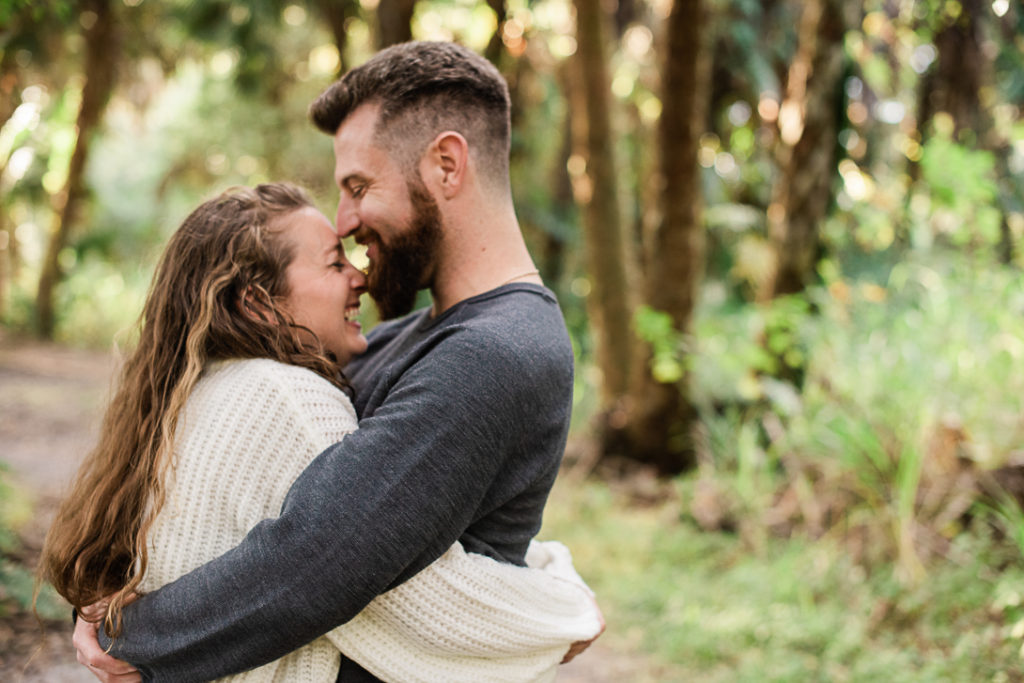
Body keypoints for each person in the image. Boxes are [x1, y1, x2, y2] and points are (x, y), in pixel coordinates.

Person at [74, 41, 595, 682]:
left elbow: (322, 554)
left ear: (448, 164)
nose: (345, 222)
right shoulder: (404, 337)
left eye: (359, 186)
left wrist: (133, 636)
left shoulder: (495, 352)